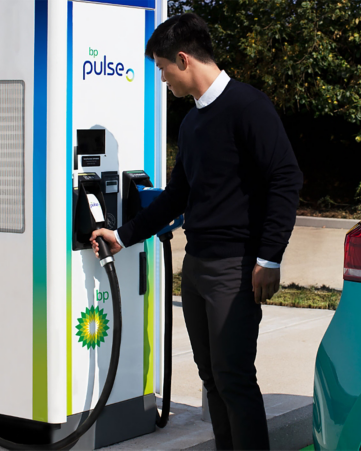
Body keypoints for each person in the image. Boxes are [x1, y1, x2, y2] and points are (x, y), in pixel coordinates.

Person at [90, 12, 302, 450]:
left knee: (235, 380)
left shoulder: (249, 107)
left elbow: (286, 178)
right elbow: (175, 197)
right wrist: (123, 235)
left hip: (237, 269)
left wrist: (269, 258)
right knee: (213, 380)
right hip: (199, 268)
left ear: (183, 60)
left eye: (163, 69)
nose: (163, 78)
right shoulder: (192, 123)